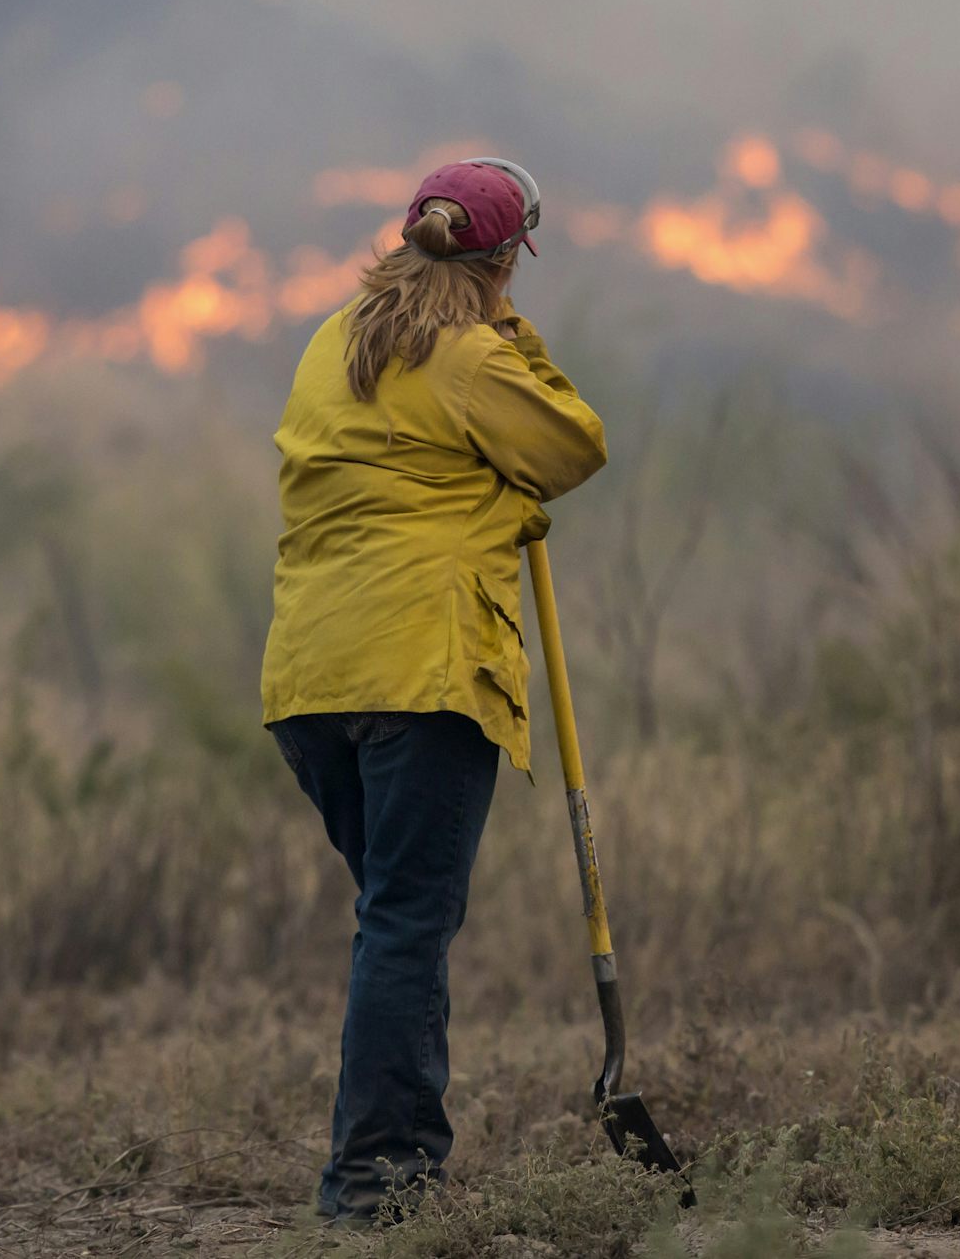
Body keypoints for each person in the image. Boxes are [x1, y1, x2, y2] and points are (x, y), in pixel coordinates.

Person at [260, 158, 608, 1225]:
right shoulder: (470, 357)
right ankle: (378, 1187)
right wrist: (512, 335)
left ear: (411, 241)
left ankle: (398, 1161)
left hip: (312, 679)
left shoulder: (333, 339)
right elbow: (573, 444)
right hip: (424, 668)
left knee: (394, 922)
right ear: (504, 262)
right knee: (409, 924)